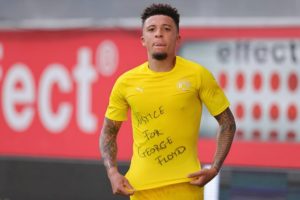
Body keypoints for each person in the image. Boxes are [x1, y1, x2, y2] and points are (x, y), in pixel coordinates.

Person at [99, 3, 236, 200]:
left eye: (167, 29)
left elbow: (228, 123)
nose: (158, 34)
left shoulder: (198, 75)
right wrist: (112, 172)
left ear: (178, 38)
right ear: (143, 40)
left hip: (186, 186)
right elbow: (109, 131)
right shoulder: (125, 83)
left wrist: (214, 168)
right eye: (152, 29)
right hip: (140, 189)